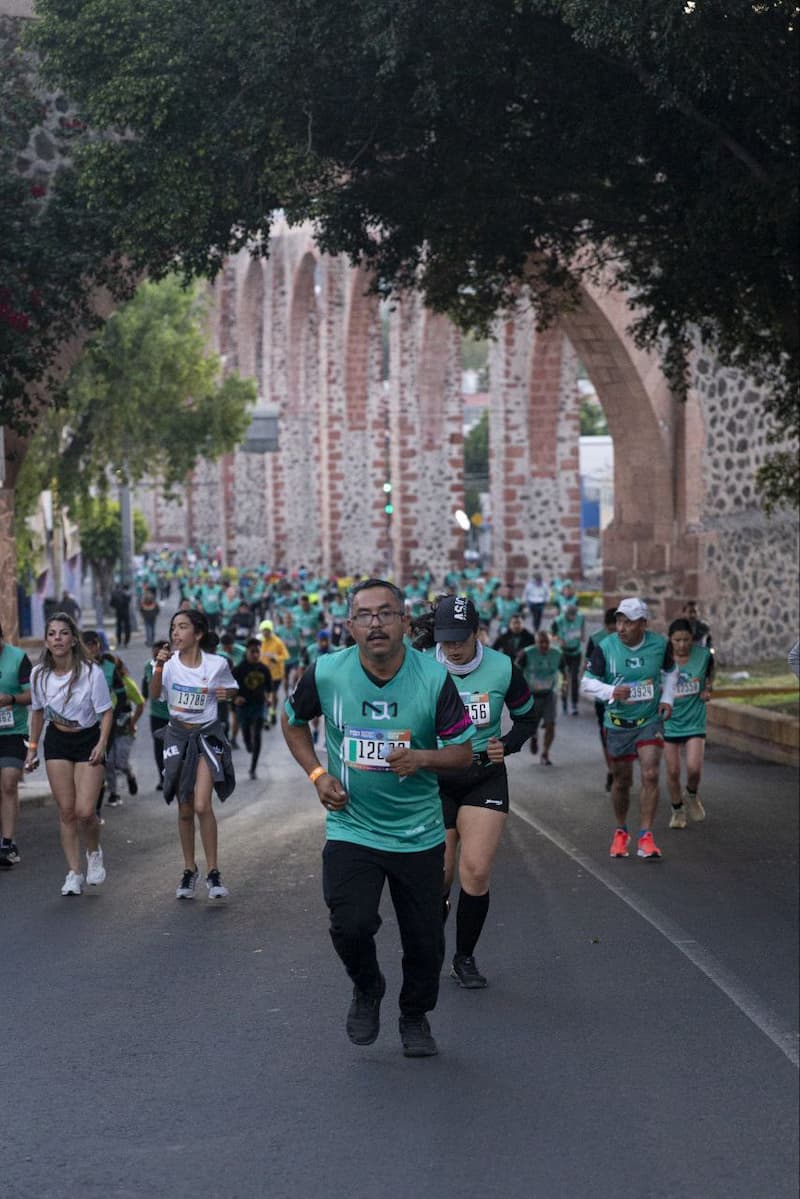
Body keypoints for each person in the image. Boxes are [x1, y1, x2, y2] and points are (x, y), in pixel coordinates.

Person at [281, 578, 474, 1058]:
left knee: (425, 942)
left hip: (419, 834)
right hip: (353, 827)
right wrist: (318, 774)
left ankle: (414, 1016)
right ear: (350, 626)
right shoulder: (327, 672)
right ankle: (367, 987)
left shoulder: (433, 679)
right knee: (350, 924)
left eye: (386, 613)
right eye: (365, 615)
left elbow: (464, 753)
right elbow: (292, 720)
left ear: (405, 622)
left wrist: (422, 759)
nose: (376, 623)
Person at [433, 596, 535, 987]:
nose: (453, 648)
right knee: (439, 875)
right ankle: (430, 946)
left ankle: (464, 958)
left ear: (477, 632)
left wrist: (506, 744)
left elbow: (527, 716)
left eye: (461, 638)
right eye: (446, 640)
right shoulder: (422, 667)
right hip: (436, 778)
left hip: (484, 774)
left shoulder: (502, 668)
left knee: (475, 870)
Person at [150, 610, 238, 900]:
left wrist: (228, 695)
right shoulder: (169, 664)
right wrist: (158, 668)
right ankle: (189, 870)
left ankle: (214, 872)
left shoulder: (217, 664)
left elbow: (231, 689)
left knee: (202, 805)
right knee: (184, 808)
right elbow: (154, 695)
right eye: (173, 627)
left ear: (197, 634)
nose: (175, 633)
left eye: (182, 627)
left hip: (206, 736)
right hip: (177, 736)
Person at [581, 598, 677, 860]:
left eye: (628, 622)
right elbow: (587, 684)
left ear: (643, 624)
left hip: (649, 720)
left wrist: (667, 698)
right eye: (619, 621)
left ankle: (646, 835)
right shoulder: (606, 647)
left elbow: (671, 671)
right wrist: (612, 691)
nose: (621, 627)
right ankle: (621, 830)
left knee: (650, 773)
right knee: (622, 781)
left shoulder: (659, 645)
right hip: (619, 723)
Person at [25, 612, 113, 895]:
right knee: (66, 811)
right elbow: (37, 712)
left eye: (63, 633)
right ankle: (74, 872)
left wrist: (101, 743)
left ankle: (94, 852)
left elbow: (106, 712)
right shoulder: (39, 673)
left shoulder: (91, 672)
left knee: (85, 811)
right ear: (46, 641)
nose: (57, 639)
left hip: (87, 740)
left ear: (74, 639)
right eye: (52, 634)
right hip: (57, 742)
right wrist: (33, 748)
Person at [663, 618, 714, 828]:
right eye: (677, 640)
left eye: (686, 640)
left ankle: (691, 794)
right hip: (668, 722)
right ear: (670, 640)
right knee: (673, 771)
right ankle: (677, 811)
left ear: (692, 639)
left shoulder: (703, 656)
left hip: (694, 720)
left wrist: (708, 688)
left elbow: (711, 674)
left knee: (693, 769)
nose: (682, 645)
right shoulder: (662, 660)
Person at [0, 623, 33, 869]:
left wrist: (10, 699)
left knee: (9, 783)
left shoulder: (18, 658)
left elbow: (31, 696)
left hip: (14, 731)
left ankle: (8, 842)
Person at [584, 607, 619, 792]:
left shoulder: (627, 639)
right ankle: (612, 770)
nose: (616, 632)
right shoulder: (596, 639)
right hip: (604, 699)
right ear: (606, 626)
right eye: (612, 629)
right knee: (606, 734)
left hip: (624, 697)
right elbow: (588, 669)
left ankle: (620, 768)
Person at [517, 630, 563, 765]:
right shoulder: (526, 653)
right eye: (540, 642)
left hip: (549, 694)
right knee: (532, 725)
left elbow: (564, 670)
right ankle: (534, 736)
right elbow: (515, 671)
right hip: (531, 696)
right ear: (535, 643)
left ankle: (545, 753)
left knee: (551, 724)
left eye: (547, 642)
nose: (544, 645)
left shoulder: (557, 654)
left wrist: (565, 685)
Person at [103, 658, 144, 806]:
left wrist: (133, 722)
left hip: (123, 729)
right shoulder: (99, 682)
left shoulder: (127, 683)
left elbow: (140, 703)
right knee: (108, 762)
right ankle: (114, 794)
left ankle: (129, 773)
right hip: (106, 729)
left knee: (120, 763)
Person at [233, 639, 272, 780]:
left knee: (257, 735)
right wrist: (235, 697)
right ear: (247, 652)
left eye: (257, 652)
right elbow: (230, 688)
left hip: (259, 705)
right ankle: (248, 744)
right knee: (246, 735)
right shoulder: (239, 669)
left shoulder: (264, 669)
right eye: (252, 652)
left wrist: (269, 698)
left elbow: (269, 688)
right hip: (243, 707)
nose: (255, 655)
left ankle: (253, 768)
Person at [142, 640, 170, 790]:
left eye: (160, 651)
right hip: (157, 714)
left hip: (174, 715)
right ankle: (162, 778)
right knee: (159, 747)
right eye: (155, 650)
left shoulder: (174, 665)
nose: (156, 654)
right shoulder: (148, 666)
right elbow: (146, 684)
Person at [551, 603, 585, 716]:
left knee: (575, 678)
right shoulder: (558, 620)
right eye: (570, 616)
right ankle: (564, 702)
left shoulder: (580, 617)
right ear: (565, 614)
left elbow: (582, 627)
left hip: (576, 652)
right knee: (565, 679)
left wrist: (582, 635)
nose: (572, 617)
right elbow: (551, 634)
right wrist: (558, 640)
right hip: (563, 653)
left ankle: (574, 704)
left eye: (574, 615)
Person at [259, 619, 290, 726]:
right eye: (263, 630)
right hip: (263, 674)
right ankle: (268, 713)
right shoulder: (260, 642)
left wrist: (276, 658)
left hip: (276, 674)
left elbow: (286, 655)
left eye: (267, 630)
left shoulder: (277, 642)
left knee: (273, 694)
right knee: (265, 694)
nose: (265, 632)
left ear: (271, 630)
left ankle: (272, 712)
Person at [109, 582, 132, 647]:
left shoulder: (114, 594)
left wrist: (116, 606)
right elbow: (129, 601)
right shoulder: (126, 593)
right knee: (127, 627)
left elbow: (111, 604)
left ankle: (119, 641)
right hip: (126, 612)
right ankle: (126, 642)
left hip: (118, 612)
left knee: (119, 627)